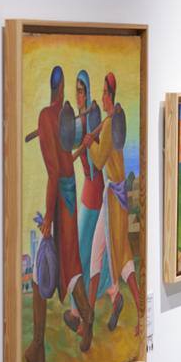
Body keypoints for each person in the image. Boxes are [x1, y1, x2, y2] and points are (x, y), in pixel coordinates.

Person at [26, 65, 94, 362]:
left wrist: (48, 220)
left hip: (60, 198)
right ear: (62, 87)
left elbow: (54, 172)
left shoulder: (47, 117)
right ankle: (39, 345)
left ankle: (82, 319)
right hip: (66, 193)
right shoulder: (61, 116)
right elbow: (66, 161)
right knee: (60, 265)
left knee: (62, 266)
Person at [78, 72, 142, 345]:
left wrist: (88, 144)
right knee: (117, 256)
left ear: (110, 95)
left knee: (109, 255)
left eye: (104, 93)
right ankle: (93, 318)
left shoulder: (108, 125)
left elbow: (99, 160)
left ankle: (88, 322)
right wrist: (93, 139)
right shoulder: (112, 119)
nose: (102, 97)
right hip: (116, 198)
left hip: (113, 200)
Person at [72, 69, 110, 302]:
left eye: (81, 91)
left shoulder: (91, 118)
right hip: (89, 188)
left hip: (94, 188)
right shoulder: (82, 118)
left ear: (87, 93)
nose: (78, 96)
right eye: (76, 91)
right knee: (88, 248)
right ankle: (100, 294)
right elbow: (68, 137)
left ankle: (79, 307)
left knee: (84, 249)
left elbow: (96, 158)